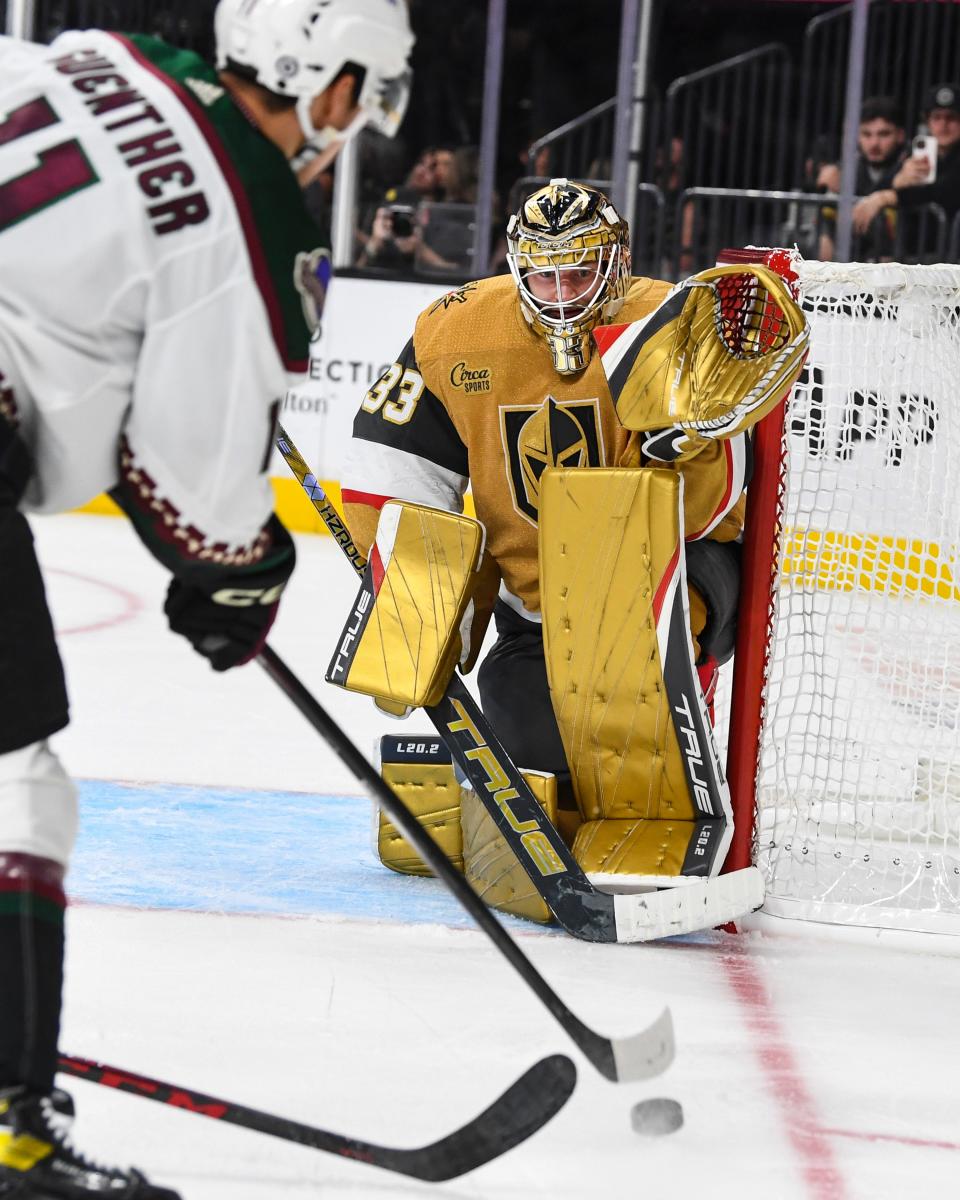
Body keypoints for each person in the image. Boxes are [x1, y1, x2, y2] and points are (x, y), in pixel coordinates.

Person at [0, 0, 413, 1196]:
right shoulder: (249, 212)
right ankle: (12, 1134)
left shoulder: (99, 58)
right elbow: (206, 499)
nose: (355, 125)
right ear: (328, 84)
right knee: (17, 784)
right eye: (363, 97)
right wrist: (241, 584)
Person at [338, 180, 807, 907]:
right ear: (516, 266)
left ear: (614, 263)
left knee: (622, 708)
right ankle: (537, 796)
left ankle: (665, 798)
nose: (560, 292)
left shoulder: (671, 321)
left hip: (677, 575)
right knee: (535, 755)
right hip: (535, 609)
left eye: (578, 273)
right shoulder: (457, 328)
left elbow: (731, 486)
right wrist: (418, 598)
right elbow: (393, 457)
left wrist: (690, 449)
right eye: (543, 274)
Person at [852, 82, 960, 247]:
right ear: (928, 121)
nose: (943, 125)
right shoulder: (919, 152)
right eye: (937, 117)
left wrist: (891, 196)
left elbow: (948, 191)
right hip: (917, 254)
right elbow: (875, 192)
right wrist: (897, 181)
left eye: (951, 118)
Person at [817, 96, 907, 259]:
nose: (874, 143)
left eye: (884, 134)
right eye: (866, 134)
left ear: (900, 135)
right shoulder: (848, 166)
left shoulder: (912, 166)